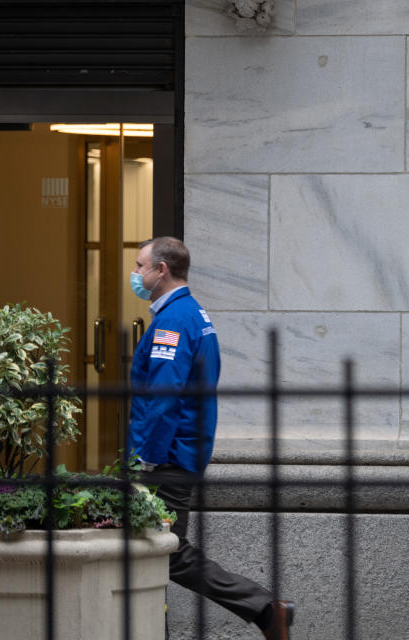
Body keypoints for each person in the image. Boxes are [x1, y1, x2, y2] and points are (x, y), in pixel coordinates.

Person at [127, 236, 295, 640]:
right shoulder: (193, 315)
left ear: (161, 270)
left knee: (163, 553)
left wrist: (144, 459)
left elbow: (164, 399)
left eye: (139, 266)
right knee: (157, 554)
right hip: (181, 454)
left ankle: (266, 609)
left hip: (166, 459)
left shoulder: (173, 321)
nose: (135, 274)